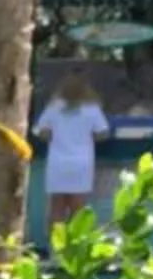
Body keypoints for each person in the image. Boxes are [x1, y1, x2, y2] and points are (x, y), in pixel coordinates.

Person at [34, 71, 112, 238]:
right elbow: (103, 133)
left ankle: (56, 250)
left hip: (57, 162)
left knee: (57, 208)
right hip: (82, 163)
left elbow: (42, 132)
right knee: (78, 209)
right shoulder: (91, 109)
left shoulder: (54, 107)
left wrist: (56, 135)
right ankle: (77, 250)